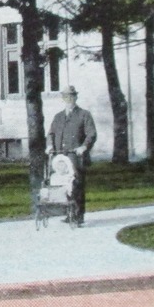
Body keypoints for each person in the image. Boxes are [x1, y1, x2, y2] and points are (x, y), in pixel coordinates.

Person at [48, 86, 97, 227]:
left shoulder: (84, 114)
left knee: (76, 185)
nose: (69, 99)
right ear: (63, 99)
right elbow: (50, 133)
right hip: (60, 158)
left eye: (71, 96)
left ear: (75, 97)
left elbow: (91, 134)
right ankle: (68, 214)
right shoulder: (58, 117)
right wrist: (49, 145)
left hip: (76, 157)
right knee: (62, 185)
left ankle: (78, 216)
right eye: (66, 97)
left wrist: (84, 146)